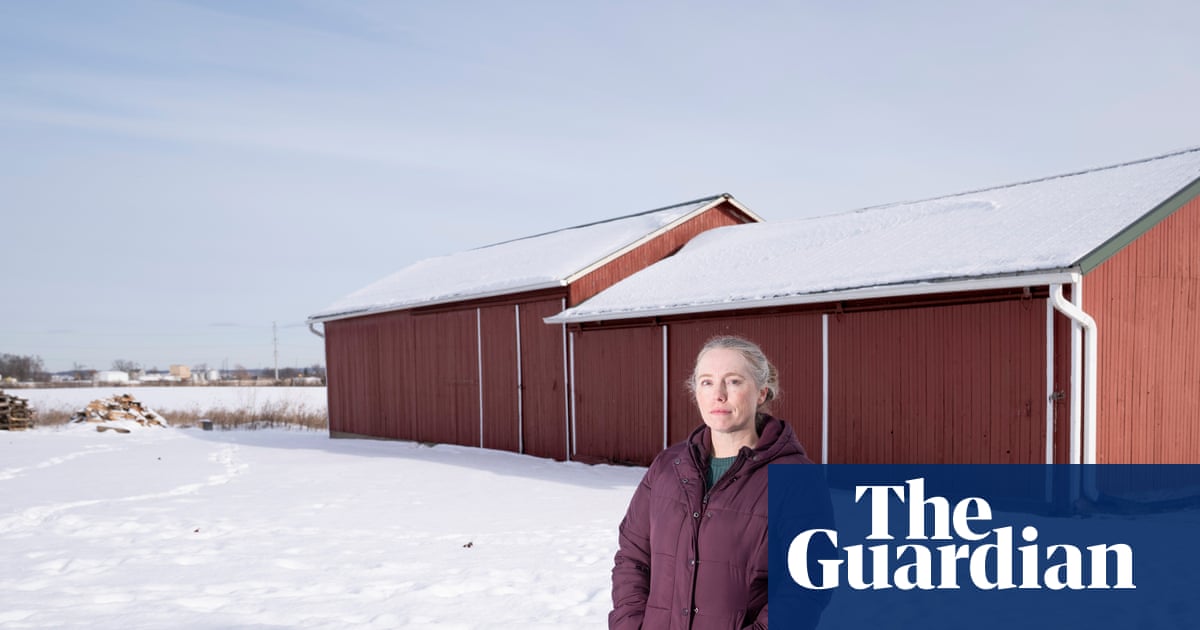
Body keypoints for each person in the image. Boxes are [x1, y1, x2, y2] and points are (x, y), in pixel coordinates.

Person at [609, 335, 831, 630]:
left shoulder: (796, 480)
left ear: (761, 393)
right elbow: (633, 557)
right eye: (707, 382)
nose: (719, 394)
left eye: (734, 381)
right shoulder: (667, 467)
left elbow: (806, 586)